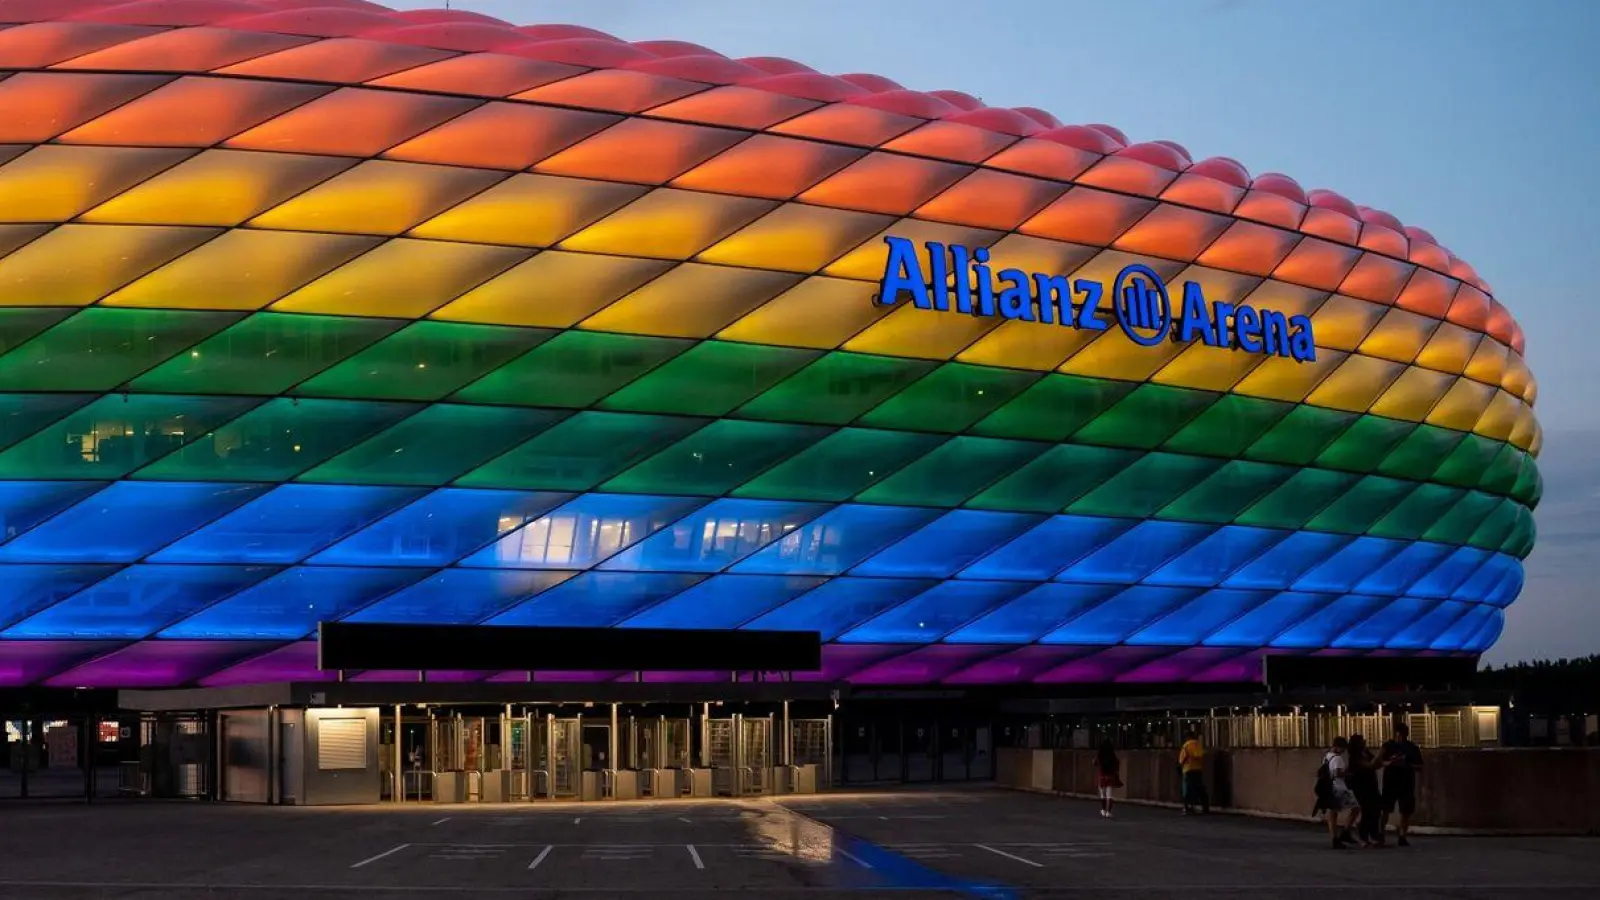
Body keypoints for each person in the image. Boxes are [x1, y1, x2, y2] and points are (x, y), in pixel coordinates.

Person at [1381, 722, 1424, 847]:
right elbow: (1379, 761)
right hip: (1390, 781)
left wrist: (1407, 764)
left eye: (1403, 735)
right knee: (1385, 809)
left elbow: (1420, 765)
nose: (1400, 737)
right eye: (1399, 735)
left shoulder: (1412, 748)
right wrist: (1390, 762)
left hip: (1406, 782)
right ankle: (1381, 834)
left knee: (1405, 811)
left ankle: (1402, 835)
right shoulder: (1388, 746)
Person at [1321, 736, 1361, 849]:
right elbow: (1337, 773)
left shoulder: (1326, 757)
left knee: (1333, 813)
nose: (1343, 751)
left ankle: (1335, 838)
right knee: (1356, 808)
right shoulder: (1337, 758)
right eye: (1342, 748)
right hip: (1339, 788)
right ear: (1338, 747)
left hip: (1330, 787)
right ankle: (1345, 831)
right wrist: (1348, 773)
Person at [1347, 734, 1384, 848]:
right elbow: (1370, 765)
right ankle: (1363, 836)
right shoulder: (1354, 757)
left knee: (1376, 810)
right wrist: (1381, 752)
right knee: (1367, 811)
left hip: (1372, 785)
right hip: (1361, 787)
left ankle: (1374, 835)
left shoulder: (1366, 752)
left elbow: (1376, 764)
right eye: (1361, 741)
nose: (1364, 742)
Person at [1178, 729, 1209, 815]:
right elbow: (1201, 755)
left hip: (1188, 769)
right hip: (1198, 769)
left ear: (1187, 737)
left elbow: (1181, 760)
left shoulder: (1186, 745)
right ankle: (1205, 807)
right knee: (1200, 788)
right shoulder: (1198, 744)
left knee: (1187, 790)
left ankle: (1188, 808)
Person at [1095, 741, 1122, 818]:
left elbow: (1095, 763)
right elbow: (1117, 764)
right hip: (1110, 777)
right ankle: (1108, 812)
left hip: (1102, 777)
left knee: (1103, 795)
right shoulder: (1112, 757)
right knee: (1109, 795)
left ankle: (1103, 810)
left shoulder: (1100, 756)